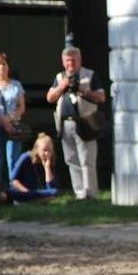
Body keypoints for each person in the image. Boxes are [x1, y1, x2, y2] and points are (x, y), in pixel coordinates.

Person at [46, 45, 105, 200]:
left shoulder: (90, 75)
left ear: (79, 60)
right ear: (63, 62)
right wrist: (62, 86)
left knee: (87, 159)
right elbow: (50, 98)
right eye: (67, 61)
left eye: (73, 60)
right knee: (71, 159)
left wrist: (83, 91)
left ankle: (91, 194)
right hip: (66, 124)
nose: (70, 64)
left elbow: (101, 97)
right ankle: (80, 193)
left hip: (86, 123)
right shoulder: (60, 77)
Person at [0, 52, 27, 204]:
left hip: (13, 127)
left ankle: (15, 196)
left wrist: (10, 119)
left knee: (13, 160)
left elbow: (21, 107)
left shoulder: (16, 85)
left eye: (4, 64)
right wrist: (1, 121)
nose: (2, 67)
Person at [9, 132, 59, 203]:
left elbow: (51, 188)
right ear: (37, 149)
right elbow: (13, 180)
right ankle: (37, 199)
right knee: (11, 192)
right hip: (23, 191)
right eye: (44, 150)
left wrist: (47, 168)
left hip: (38, 192)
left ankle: (36, 200)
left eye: (49, 150)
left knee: (54, 192)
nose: (47, 153)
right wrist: (27, 192)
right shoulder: (26, 157)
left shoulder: (50, 160)